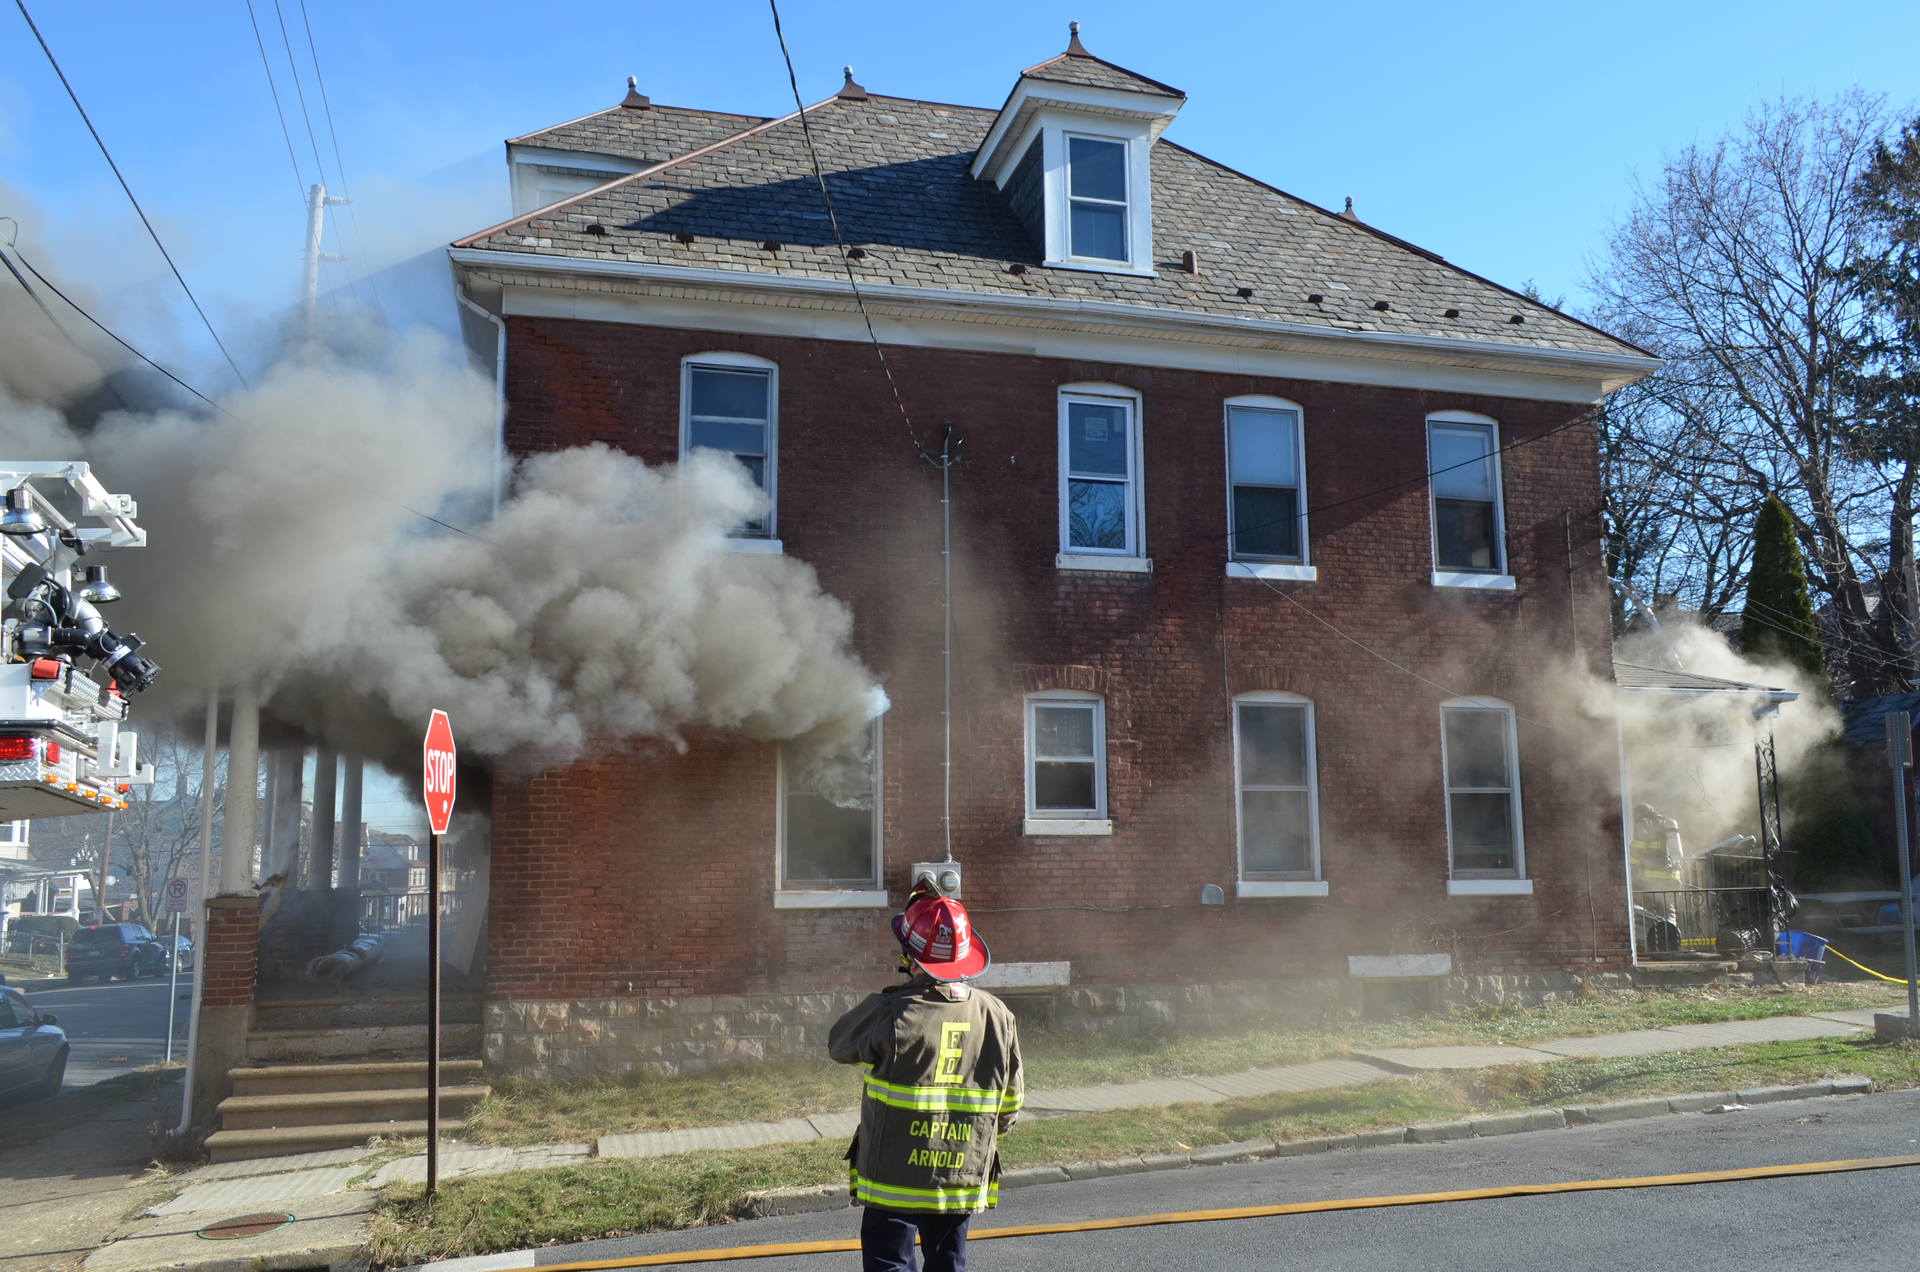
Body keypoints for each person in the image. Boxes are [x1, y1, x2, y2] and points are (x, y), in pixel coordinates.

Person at [828, 881, 1023, 1272]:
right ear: (966, 957)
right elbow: (1010, 1105)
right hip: (959, 1173)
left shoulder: (892, 1011)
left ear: (910, 956)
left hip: (893, 1180)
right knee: (949, 1265)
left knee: (890, 1265)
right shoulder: (998, 1016)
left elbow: (839, 1044)